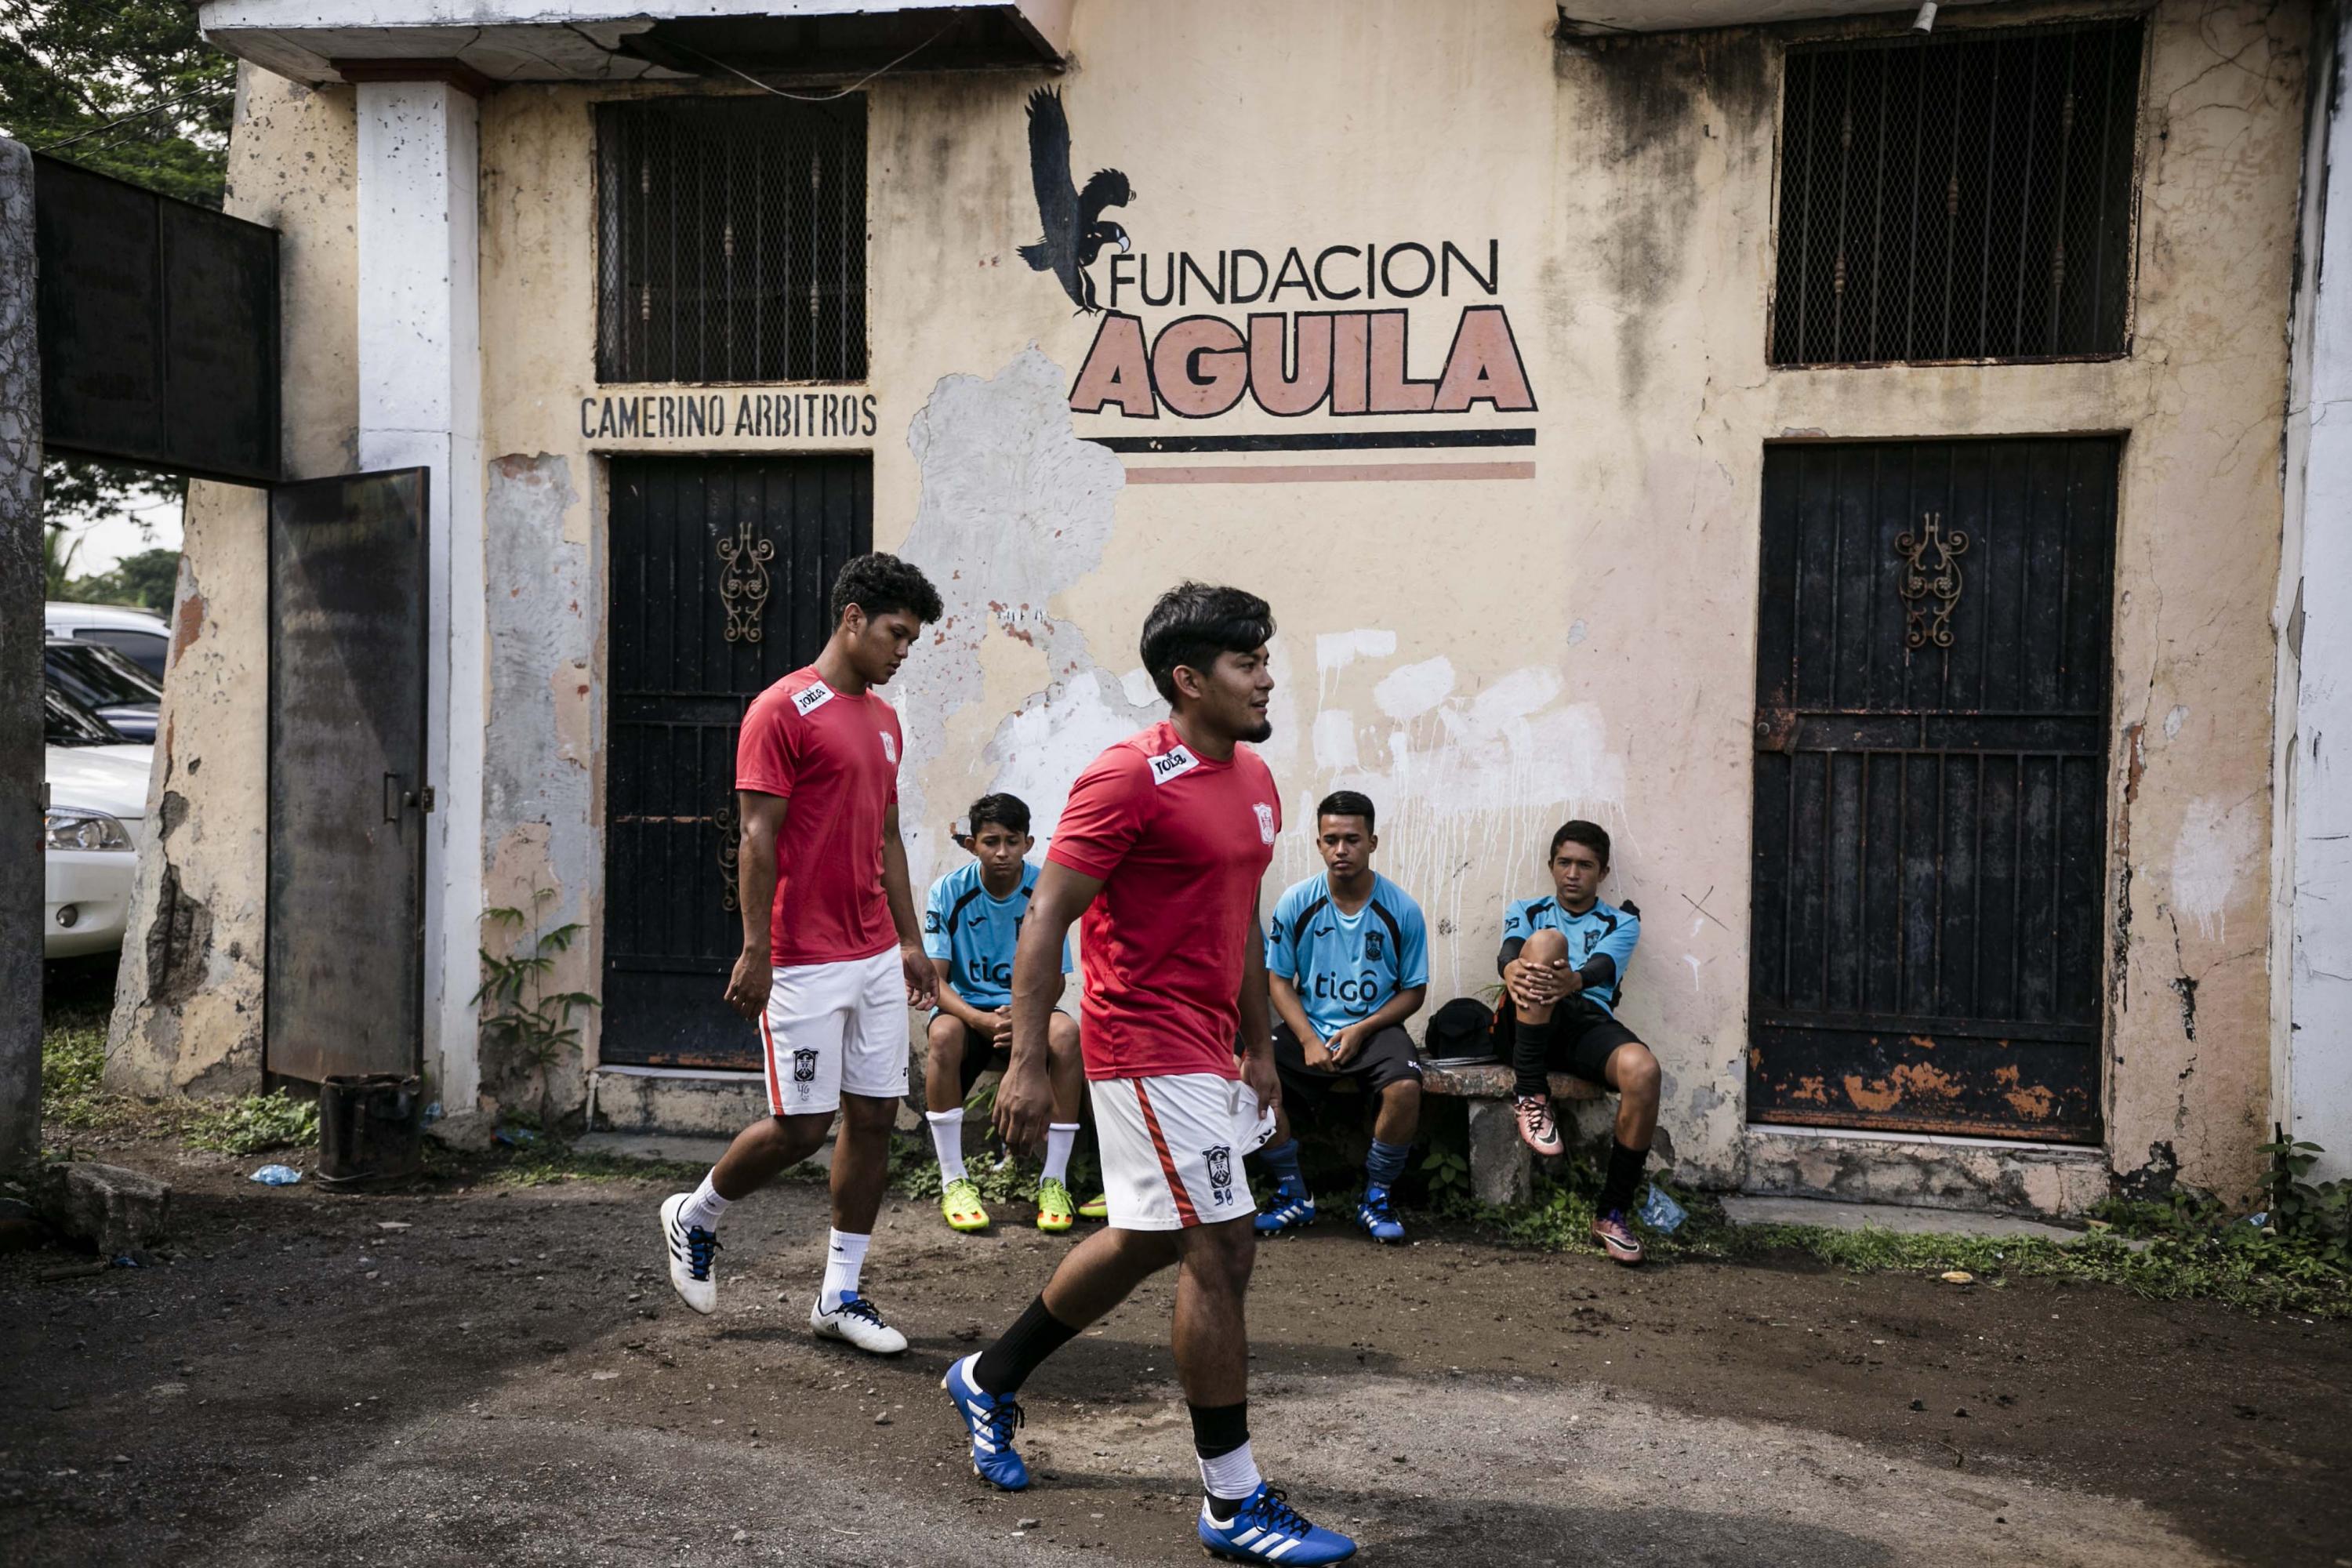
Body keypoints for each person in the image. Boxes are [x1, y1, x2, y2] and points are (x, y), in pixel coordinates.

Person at [938, 583, 1356, 1566]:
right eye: (1247, 663)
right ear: (1188, 678)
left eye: (1265, 658)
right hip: (1141, 1042)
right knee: (1222, 1242)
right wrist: (1033, 1060)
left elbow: (1239, 922)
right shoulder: (1128, 776)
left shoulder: (1255, 780)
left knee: (1144, 1237)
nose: (1265, 677)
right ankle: (1232, 1498)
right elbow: (1049, 914)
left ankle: (988, 1377)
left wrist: (1258, 1044)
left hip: (1211, 1046)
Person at [657, 554, 945, 1353]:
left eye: (911, 640)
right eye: (895, 633)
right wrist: (757, 948)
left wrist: (912, 941)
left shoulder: (885, 721)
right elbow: (758, 835)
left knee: (875, 1116)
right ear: (852, 617)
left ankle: (841, 1295)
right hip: (803, 954)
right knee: (801, 1124)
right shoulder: (782, 709)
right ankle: (696, 1212)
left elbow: (887, 836)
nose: (900, 651)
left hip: (873, 951)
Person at [1251, 790, 1429, 1244]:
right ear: (1318, 844)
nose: (1341, 850)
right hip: (1309, 1027)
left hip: (1375, 1030)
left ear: (1372, 841)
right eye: (1331, 839)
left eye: (1352, 839)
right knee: (1249, 1075)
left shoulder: (1401, 909)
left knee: (1406, 1086)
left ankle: (1377, 1196)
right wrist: (1309, 1038)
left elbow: (1414, 992)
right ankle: (1293, 1193)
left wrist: (1363, 1027)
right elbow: (1279, 981)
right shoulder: (1297, 901)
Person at [920, 791, 1103, 1234]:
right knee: (942, 1034)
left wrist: (1024, 1023)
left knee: (1066, 1034)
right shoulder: (949, 891)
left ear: (1029, 842)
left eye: (1012, 841)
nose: (1002, 852)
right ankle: (954, 1180)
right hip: (969, 1014)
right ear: (972, 844)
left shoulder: (1045, 889)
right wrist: (980, 1019)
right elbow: (934, 982)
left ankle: (1054, 1181)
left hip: (1029, 1012)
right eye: (991, 841)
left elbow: (1056, 978)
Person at [1498, 818, 1659, 1267]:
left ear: (1602, 873)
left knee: (1644, 1071)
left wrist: (1572, 980)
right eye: (1565, 863)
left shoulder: (1621, 921)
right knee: (1547, 941)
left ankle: (1611, 1214)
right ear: (1551, 865)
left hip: (1586, 1020)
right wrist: (1510, 969)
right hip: (1522, 1022)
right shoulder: (1527, 910)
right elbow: (1510, 951)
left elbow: (1600, 970)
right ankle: (1530, 1093)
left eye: (1585, 865)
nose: (1573, 873)